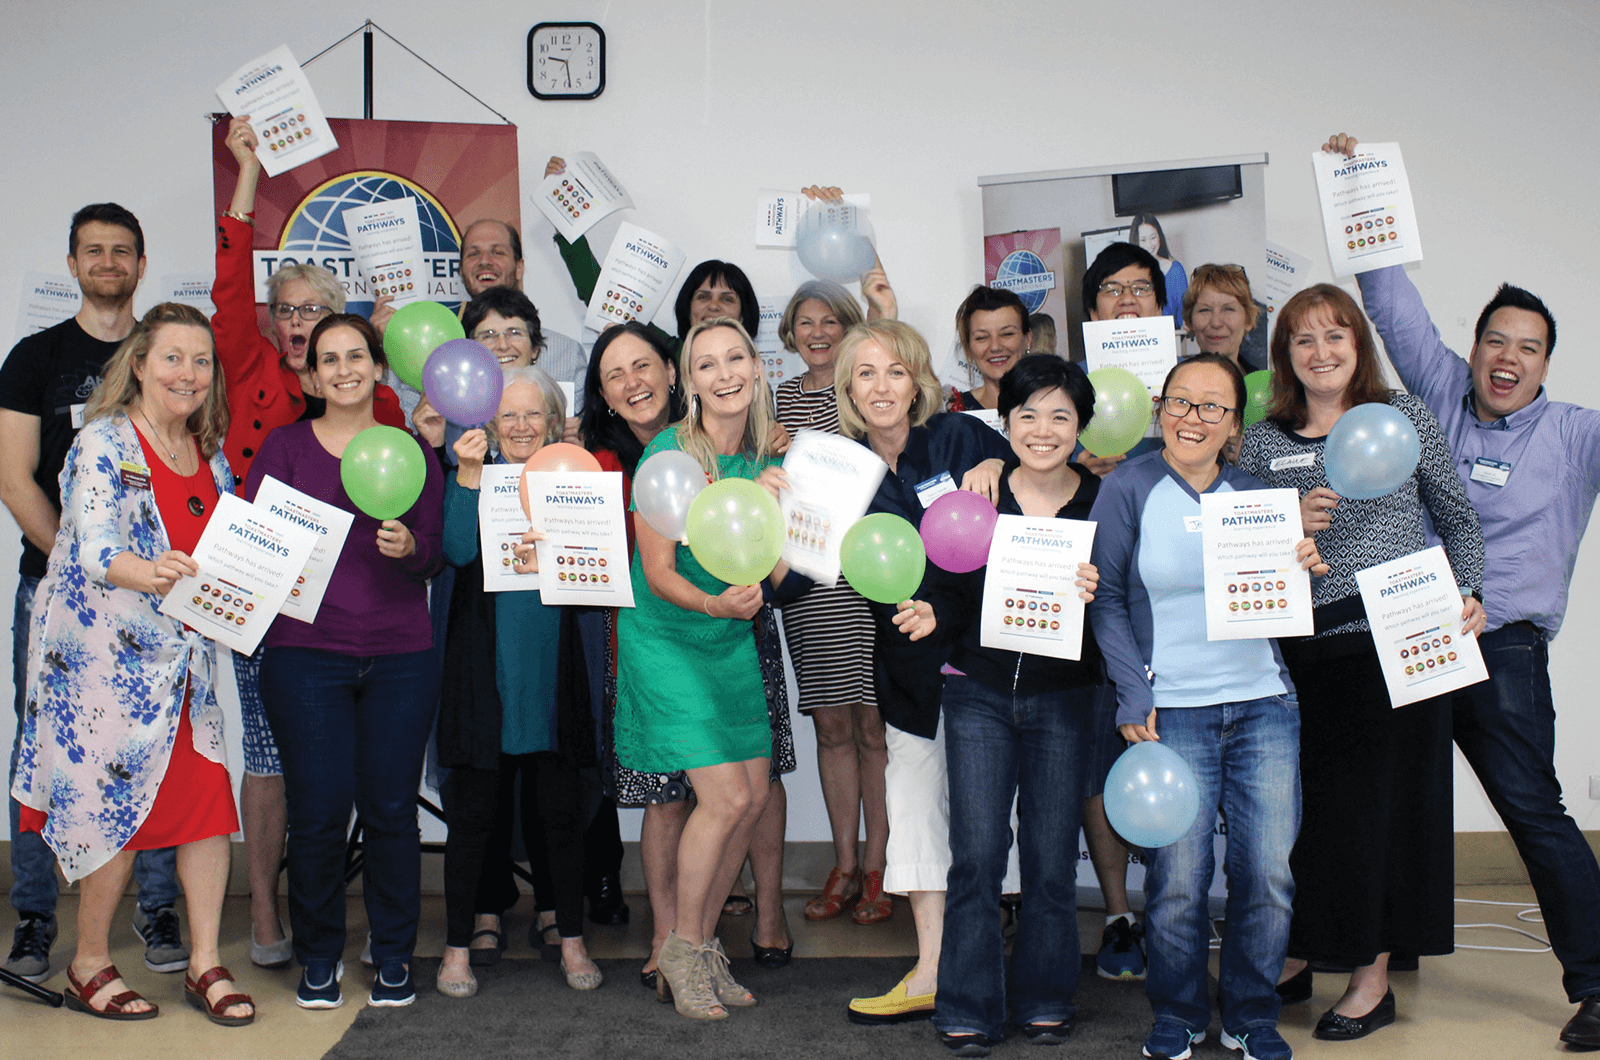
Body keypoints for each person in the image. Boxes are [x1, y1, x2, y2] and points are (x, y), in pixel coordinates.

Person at [1322, 131, 1600, 1051]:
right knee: (1380, 799)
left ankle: (1596, 981)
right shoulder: (1434, 392)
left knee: (1531, 810)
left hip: (1501, 645)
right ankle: (1377, 964)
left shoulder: (1576, 436)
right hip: (1401, 630)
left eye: (1528, 348)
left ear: (1547, 364)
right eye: (1495, 340)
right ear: (1474, 349)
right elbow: (1391, 300)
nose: (1507, 358)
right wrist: (1358, 178)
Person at [1239, 283, 1485, 1042]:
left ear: (1358, 344)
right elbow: (1239, 548)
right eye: (1304, 340)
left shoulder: (1402, 418)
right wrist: (1290, 522)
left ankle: (1372, 976)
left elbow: (1456, 516)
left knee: (1378, 815)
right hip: (1298, 656)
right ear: (1285, 355)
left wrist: (1471, 589)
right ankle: (1302, 950)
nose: (1321, 352)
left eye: (1335, 336)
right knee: (1303, 814)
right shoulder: (1263, 440)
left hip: (1397, 645)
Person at [11, 303, 251, 1024]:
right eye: (173, 357)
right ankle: (89, 964)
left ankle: (205, 963)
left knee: (206, 809)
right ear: (140, 365)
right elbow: (89, 550)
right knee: (108, 813)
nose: (188, 373)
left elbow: (231, 549)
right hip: (104, 676)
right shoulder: (102, 442)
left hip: (184, 672)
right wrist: (148, 572)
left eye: (201, 360)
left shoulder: (210, 454)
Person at [1090, 353, 1326, 1060]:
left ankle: (1253, 1015)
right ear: (1160, 408)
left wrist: (1303, 573)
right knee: (1179, 881)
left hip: (1262, 705)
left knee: (1268, 875)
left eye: (1211, 407)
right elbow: (1103, 600)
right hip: (1173, 712)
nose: (1192, 418)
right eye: (1180, 402)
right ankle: (1180, 1012)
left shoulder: (1258, 497)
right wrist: (1134, 692)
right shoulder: (1129, 486)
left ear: (1234, 426)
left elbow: (1283, 611)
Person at [212, 116, 407, 968]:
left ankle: (356, 927)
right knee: (268, 760)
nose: (297, 325)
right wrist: (246, 172)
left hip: (355, 610)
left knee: (352, 777)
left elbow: (414, 475)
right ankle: (266, 917)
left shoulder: (380, 399)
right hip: (263, 595)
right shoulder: (247, 363)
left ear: (344, 330)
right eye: (286, 310)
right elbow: (228, 274)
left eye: (316, 314)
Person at [0, 203, 188, 983]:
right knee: (44, 750)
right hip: (56, 595)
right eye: (93, 251)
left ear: (142, 265)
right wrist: (83, 567)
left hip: (156, 604)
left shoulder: (172, 360)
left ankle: (155, 908)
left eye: (122, 252)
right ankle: (37, 918)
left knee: (153, 749)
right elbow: (14, 477)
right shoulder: (33, 357)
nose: (108, 263)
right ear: (73, 263)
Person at [897, 355, 1104, 1054]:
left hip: (1065, 699)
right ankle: (968, 1003)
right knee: (978, 855)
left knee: (1049, 859)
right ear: (1005, 422)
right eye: (1027, 414)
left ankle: (1046, 996)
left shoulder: (1102, 505)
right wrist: (932, 614)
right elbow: (954, 589)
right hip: (980, 694)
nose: (1042, 430)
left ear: (1080, 426)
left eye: (1060, 416)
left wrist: (1097, 588)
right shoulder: (978, 498)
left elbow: (1125, 608)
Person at [247, 313, 444, 1010]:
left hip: (399, 657)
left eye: (355, 355)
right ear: (313, 374)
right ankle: (319, 957)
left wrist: (410, 551)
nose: (343, 369)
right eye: (328, 359)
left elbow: (435, 547)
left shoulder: (410, 448)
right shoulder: (284, 448)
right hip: (306, 659)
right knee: (320, 814)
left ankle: (393, 956)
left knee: (392, 811)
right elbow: (254, 544)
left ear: (378, 365)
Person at [614, 317, 796, 1019]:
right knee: (721, 798)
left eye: (735, 359)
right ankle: (683, 951)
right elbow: (656, 573)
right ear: (688, 382)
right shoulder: (668, 454)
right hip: (668, 638)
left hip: (727, 641)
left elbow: (780, 577)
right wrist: (716, 607)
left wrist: (788, 507)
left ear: (756, 367)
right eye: (707, 365)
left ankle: (701, 945)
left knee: (750, 798)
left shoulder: (762, 461)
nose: (724, 375)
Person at [834, 319, 1012, 1028]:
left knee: (981, 823)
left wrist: (1005, 469)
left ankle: (984, 966)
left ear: (918, 382)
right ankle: (933, 969)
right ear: (848, 386)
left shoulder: (964, 437)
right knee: (912, 816)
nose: (882, 387)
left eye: (895, 372)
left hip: (984, 670)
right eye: (866, 373)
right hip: (908, 674)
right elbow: (800, 573)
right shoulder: (841, 469)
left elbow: (1037, 501)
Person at [435, 367, 602, 997]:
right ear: (488, 425)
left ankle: (575, 938)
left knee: (560, 812)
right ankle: (454, 949)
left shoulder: (576, 481)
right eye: (509, 416)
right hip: (485, 673)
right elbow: (454, 549)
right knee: (474, 816)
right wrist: (468, 480)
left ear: (557, 423)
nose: (523, 426)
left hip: (554, 673)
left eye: (535, 415)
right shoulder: (472, 476)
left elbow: (602, 569)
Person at [773, 278, 896, 929]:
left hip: (873, 579)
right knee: (831, 726)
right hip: (810, 586)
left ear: (848, 326)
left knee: (875, 729)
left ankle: (879, 867)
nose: (817, 332)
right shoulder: (776, 404)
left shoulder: (865, 392)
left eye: (829, 321)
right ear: (790, 332)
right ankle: (842, 864)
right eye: (805, 322)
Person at [1075, 240, 1170, 977]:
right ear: (1091, 309)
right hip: (1093, 611)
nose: (1129, 301)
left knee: (1174, 757)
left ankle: (1175, 911)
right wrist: (1078, 464)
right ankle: (1118, 915)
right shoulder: (1067, 401)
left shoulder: (1190, 391)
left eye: (1142, 288)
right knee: (1100, 771)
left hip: (1175, 617)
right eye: (1112, 289)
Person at [945, 286, 1030, 413]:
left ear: (1027, 339)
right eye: (982, 337)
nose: (995, 347)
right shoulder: (953, 413)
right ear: (967, 348)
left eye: (1007, 334)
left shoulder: (1054, 404)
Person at [1181, 263, 1265, 371]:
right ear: (1189, 321)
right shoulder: (1174, 382)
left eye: (1228, 309)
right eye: (1205, 310)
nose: (1216, 323)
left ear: (1248, 320)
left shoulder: (1267, 385)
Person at [1130, 212, 1187, 324]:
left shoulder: (1175, 270)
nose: (1149, 245)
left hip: (1171, 337)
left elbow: (1183, 314)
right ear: (1135, 242)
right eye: (1143, 240)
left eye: (1153, 237)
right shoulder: (1127, 274)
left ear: (1159, 236)